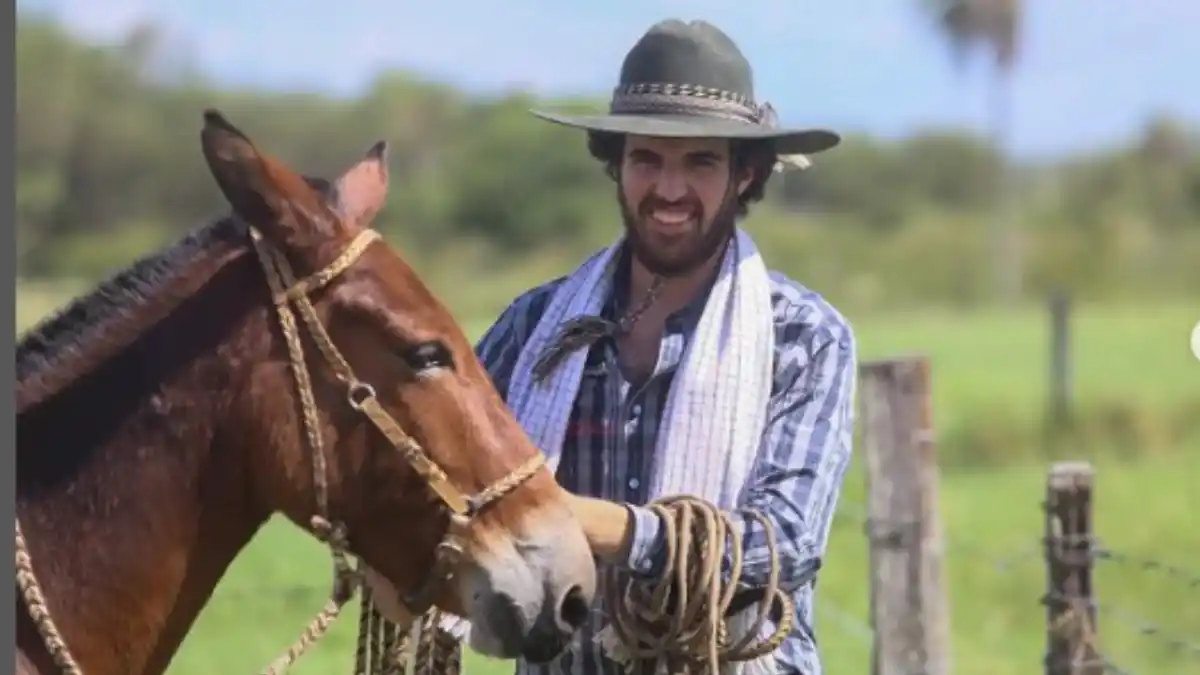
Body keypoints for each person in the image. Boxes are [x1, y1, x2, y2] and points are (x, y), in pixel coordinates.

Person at [475, 18, 858, 675]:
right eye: (647, 159)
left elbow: (784, 545)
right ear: (616, 165)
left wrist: (588, 522)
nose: (670, 190)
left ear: (745, 175)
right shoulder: (536, 326)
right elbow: (444, 468)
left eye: (700, 161)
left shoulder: (803, 338)